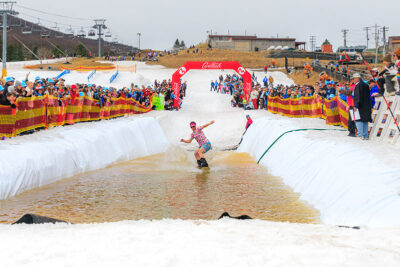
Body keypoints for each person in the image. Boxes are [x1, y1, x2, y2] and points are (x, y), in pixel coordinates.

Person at [353, 73, 372, 140]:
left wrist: (356, 105)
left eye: (354, 78)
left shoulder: (358, 85)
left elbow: (358, 96)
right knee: (365, 120)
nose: (353, 80)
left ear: (357, 78)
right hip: (366, 105)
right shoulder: (365, 85)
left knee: (359, 120)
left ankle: (360, 135)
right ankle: (365, 135)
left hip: (360, 106)